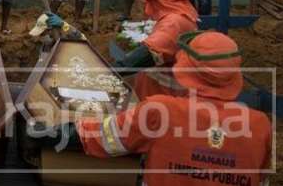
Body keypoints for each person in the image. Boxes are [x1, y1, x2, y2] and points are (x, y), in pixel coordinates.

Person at [56, 32, 272, 186]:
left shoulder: (160, 111)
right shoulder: (260, 125)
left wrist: (52, 131)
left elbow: (105, 136)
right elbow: (261, 178)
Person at [114, 0, 198, 100]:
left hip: (166, 98)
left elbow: (149, 53)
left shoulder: (172, 23)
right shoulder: (180, 16)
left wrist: (110, 71)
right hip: (166, 95)